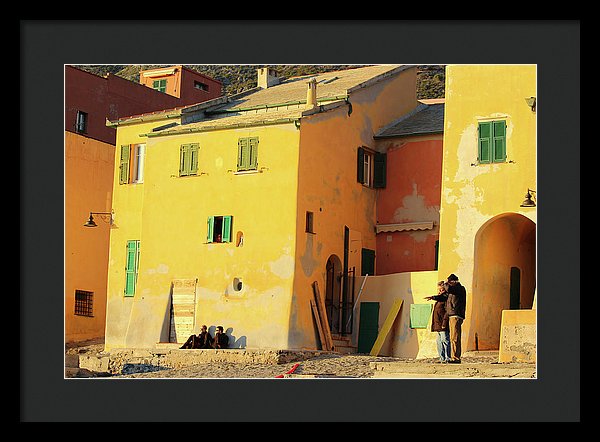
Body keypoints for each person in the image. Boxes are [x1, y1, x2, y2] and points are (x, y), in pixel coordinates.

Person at [425, 281, 451, 363]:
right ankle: (441, 358)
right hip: (437, 325)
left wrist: (444, 323)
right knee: (439, 342)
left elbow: (447, 313)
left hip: (443, 325)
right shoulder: (438, 300)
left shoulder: (445, 299)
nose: (439, 292)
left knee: (445, 341)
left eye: (441, 290)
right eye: (439, 290)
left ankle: (447, 358)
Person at [445, 273, 466, 363]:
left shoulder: (459, 288)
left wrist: (446, 283)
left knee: (455, 337)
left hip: (456, 315)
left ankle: (456, 357)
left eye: (449, 282)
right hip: (452, 314)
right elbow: (444, 296)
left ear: (453, 281)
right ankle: (454, 356)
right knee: (453, 337)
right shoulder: (454, 290)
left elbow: (448, 289)